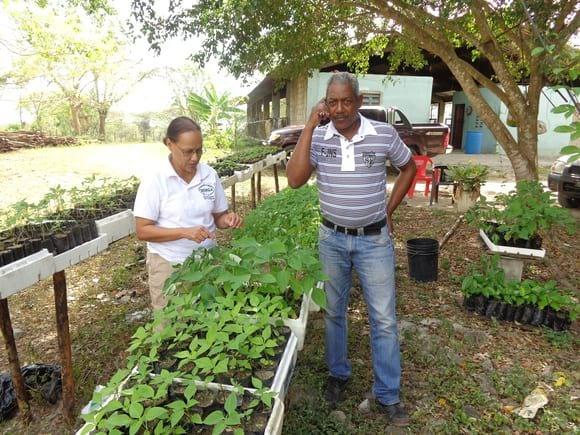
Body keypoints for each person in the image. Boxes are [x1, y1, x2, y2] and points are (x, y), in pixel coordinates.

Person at [286, 72, 416, 426]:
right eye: (332, 102)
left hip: (374, 240)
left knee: (384, 319)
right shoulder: (319, 137)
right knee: (333, 311)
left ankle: (388, 394)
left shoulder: (383, 135)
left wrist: (387, 211)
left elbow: (409, 168)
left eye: (346, 101)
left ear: (359, 102)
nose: (339, 108)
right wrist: (310, 127)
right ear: (325, 104)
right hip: (332, 239)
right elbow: (295, 180)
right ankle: (338, 375)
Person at [134, 116, 242, 310]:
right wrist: (185, 232)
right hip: (170, 265)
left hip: (207, 262)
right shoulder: (155, 179)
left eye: (199, 150)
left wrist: (228, 219)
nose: (195, 157)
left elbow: (219, 217)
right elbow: (143, 231)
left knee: (207, 320)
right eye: (188, 151)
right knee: (171, 325)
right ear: (169, 144)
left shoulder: (209, 175)